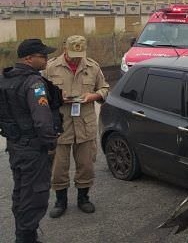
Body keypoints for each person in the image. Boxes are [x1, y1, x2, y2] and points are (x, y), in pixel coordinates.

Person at [0, 39, 62, 243]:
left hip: (16, 145)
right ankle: (25, 238)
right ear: (28, 58)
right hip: (33, 148)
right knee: (35, 195)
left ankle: (25, 235)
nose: (46, 59)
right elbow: (42, 120)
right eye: (42, 56)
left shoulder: (6, 79)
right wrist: (51, 144)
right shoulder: (34, 83)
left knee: (21, 192)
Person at [43, 35, 109, 218]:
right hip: (61, 123)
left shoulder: (92, 67)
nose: (76, 58)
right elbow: (41, 93)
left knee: (86, 165)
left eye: (79, 54)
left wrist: (93, 97)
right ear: (65, 49)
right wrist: (57, 98)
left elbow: (104, 89)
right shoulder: (51, 67)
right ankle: (60, 201)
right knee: (59, 167)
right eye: (73, 54)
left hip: (85, 123)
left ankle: (83, 198)